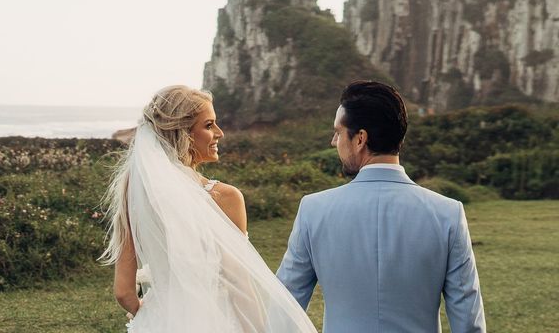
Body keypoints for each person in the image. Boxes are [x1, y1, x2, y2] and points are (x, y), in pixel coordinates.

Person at [100, 85, 317, 333]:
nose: (220, 133)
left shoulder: (135, 190)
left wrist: (153, 315)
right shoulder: (225, 197)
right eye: (209, 125)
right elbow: (239, 285)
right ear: (183, 133)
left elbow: (123, 292)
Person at [277, 80, 486, 333]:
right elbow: (468, 322)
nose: (334, 141)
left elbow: (283, 310)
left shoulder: (313, 210)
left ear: (360, 139)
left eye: (338, 132)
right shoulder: (448, 213)